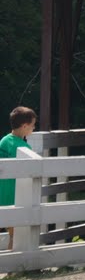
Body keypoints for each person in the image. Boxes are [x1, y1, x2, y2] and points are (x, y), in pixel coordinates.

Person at [1, 106, 37, 250]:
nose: (33, 128)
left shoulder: (4, 141)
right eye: (33, 125)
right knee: (14, 235)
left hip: (3, 193)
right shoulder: (23, 147)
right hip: (12, 195)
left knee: (13, 232)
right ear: (24, 126)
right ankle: (12, 268)